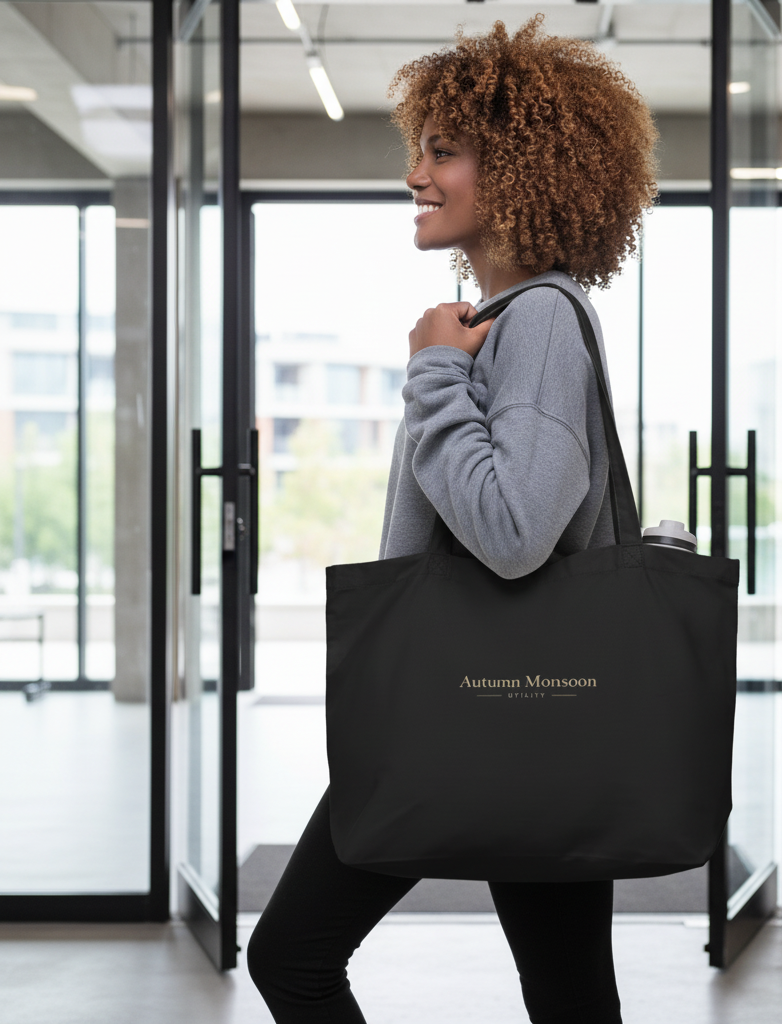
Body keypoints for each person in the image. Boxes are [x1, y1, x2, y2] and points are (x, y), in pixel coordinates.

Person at [247, 16, 658, 1023]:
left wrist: (434, 369)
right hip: (527, 722)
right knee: (569, 994)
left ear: (518, 168)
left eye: (444, 150)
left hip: (464, 712)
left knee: (291, 955)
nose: (415, 176)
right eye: (417, 150)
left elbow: (515, 532)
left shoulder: (542, 324)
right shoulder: (509, 322)